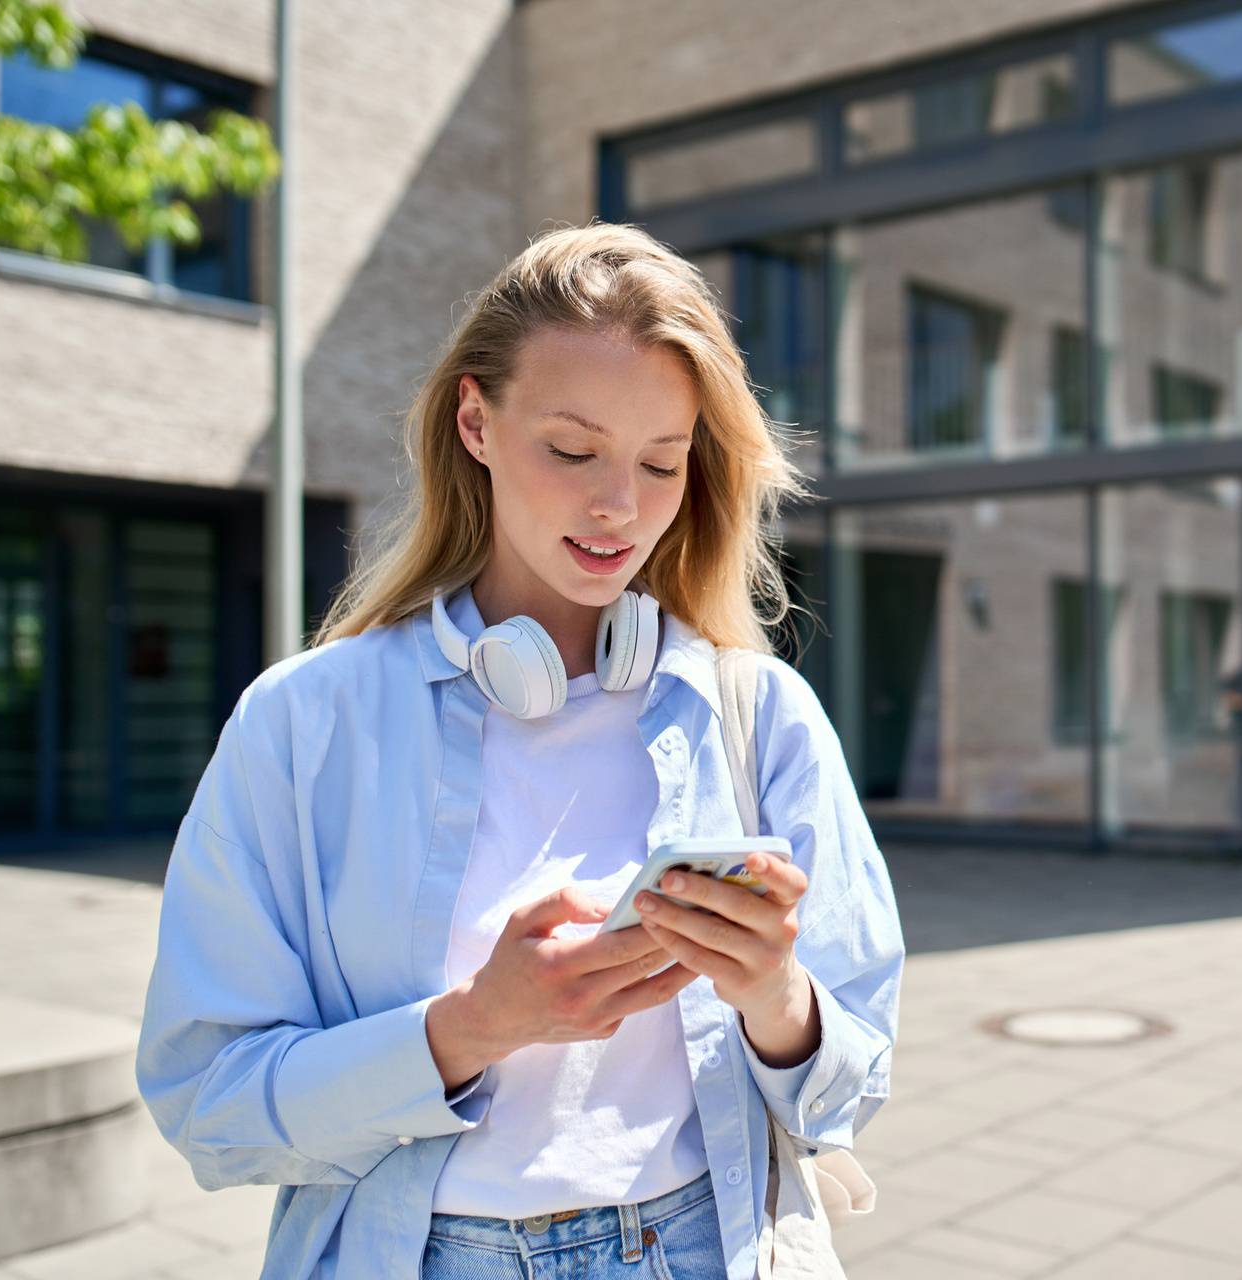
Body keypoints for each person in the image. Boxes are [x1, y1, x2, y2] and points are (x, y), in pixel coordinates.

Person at [133, 223, 905, 1279]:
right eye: (574, 450)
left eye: (661, 463)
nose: (618, 507)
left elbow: (855, 1076)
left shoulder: (758, 711)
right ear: (475, 421)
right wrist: (470, 1027)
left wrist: (775, 997)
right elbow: (209, 1103)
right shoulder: (305, 723)